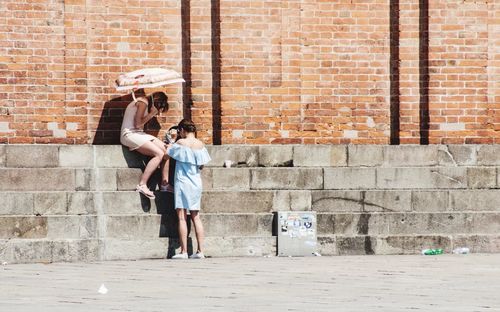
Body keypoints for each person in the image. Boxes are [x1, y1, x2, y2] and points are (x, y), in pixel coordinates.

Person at [167, 119, 211, 259]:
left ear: (182, 130)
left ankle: (184, 251)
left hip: (182, 181)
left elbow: (167, 153)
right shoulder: (200, 144)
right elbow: (202, 165)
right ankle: (200, 251)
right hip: (196, 182)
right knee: (196, 216)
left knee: (181, 217)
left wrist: (173, 140)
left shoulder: (180, 143)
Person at [120, 89, 172, 199]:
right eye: (159, 109)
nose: (158, 113)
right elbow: (138, 124)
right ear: (156, 103)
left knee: (167, 150)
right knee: (159, 154)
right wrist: (151, 113)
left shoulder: (144, 103)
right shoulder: (143, 102)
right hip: (129, 134)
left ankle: (164, 184)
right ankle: (142, 184)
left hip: (139, 133)